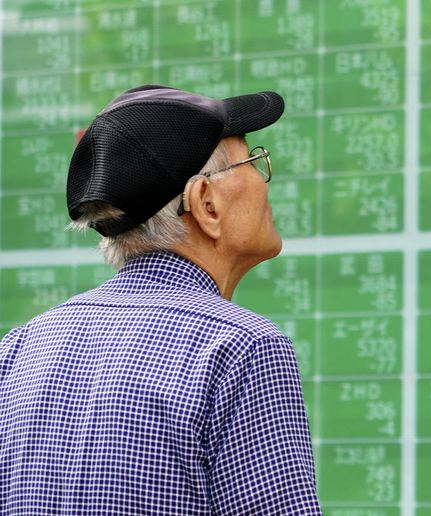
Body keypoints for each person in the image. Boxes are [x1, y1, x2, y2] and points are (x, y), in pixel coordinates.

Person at [0, 85, 322, 514]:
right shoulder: (241, 348)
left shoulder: (21, 348)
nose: (264, 181)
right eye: (252, 161)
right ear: (206, 203)